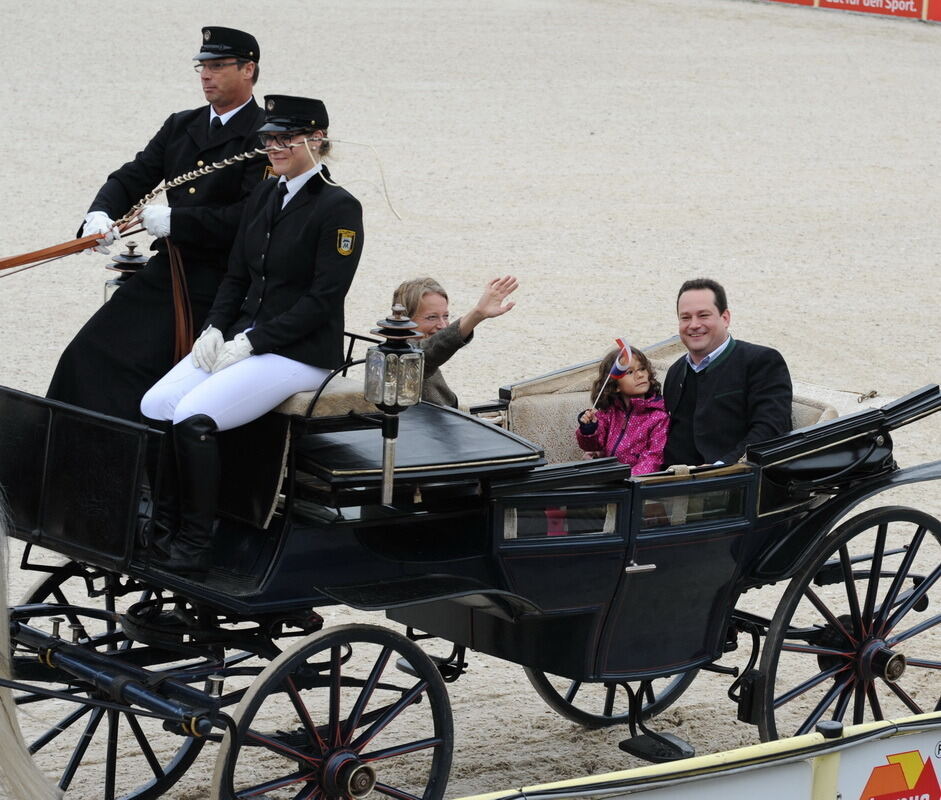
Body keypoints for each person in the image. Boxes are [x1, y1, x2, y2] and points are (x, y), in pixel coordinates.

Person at [140, 94, 363, 574]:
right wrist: (215, 328)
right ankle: (161, 529)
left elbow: (323, 298)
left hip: (298, 351)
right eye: (268, 139)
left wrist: (254, 342)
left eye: (284, 138)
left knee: (194, 415)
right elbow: (237, 275)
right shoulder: (265, 194)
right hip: (243, 334)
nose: (274, 147)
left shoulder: (339, 208)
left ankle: (196, 543)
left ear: (316, 139)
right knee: (155, 405)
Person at [47, 26, 268, 420]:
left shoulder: (267, 135)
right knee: (85, 354)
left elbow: (250, 218)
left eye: (217, 66)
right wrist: (99, 215)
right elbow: (134, 175)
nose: (205, 75)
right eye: (202, 66)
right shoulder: (181, 125)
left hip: (221, 281)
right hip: (169, 270)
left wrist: (177, 221)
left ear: (248, 69)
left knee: (140, 369)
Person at [662, 278, 792, 466]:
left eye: (703, 315)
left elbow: (770, 429)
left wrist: (721, 468)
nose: (694, 324)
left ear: (725, 318)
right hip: (667, 482)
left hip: (733, 483)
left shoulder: (761, 361)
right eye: (685, 317)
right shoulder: (675, 372)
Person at [392, 275, 518, 408]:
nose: (443, 325)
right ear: (404, 320)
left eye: (445, 316)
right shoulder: (398, 359)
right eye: (432, 317)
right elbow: (430, 351)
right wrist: (477, 314)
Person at [576, 346, 669, 474]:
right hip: (607, 479)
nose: (640, 375)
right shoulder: (608, 413)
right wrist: (589, 428)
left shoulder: (659, 416)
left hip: (636, 484)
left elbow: (654, 458)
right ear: (615, 386)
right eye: (630, 372)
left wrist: (627, 479)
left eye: (642, 369)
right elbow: (592, 446)